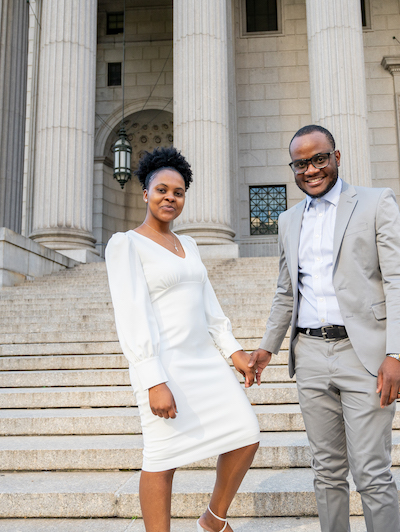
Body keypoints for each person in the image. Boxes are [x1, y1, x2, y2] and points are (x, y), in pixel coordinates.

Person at [249, 125, 400, 532]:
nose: (311, 170)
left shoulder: (376, 203)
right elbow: (286, 291)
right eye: (301, 163)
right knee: (326, 472)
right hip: (309, 354)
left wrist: (399, 353)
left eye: (319, 158)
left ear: (336, 157)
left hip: (365, 355)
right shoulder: (288, 220)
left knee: (372, 472)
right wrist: (267, 348)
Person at [106, 147, 260, 532]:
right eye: (161, 189)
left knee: (247, 434)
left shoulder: (188, 245)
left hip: (205, 361)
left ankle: (213, 519)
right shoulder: (127, 244)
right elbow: (131, 315)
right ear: (145, 193)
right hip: (164, 366)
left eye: (177, 192)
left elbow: (209, 305)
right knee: (162, 458)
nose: (169, 197)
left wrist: (234, 351)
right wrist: (153, 380)